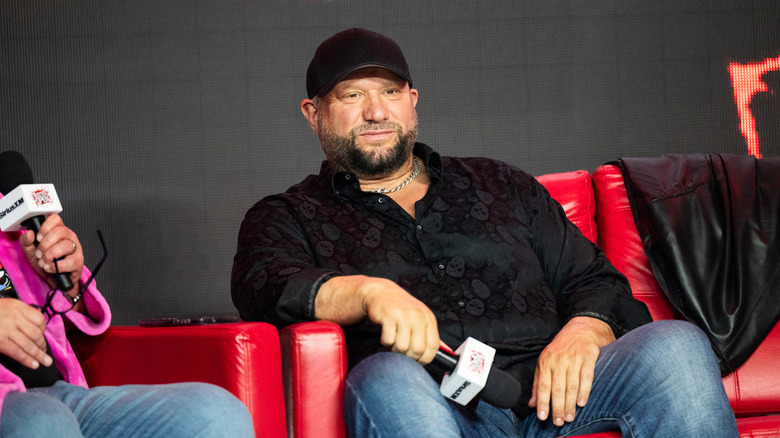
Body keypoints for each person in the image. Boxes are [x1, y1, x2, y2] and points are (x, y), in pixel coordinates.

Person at [232, 28, 738, 437]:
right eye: (352, 95)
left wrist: (586, 329)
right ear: (313, 112)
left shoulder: (500, 183)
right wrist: (367, 291)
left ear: (412, 101)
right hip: (435, 402)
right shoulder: (288, 214)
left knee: (676, 344)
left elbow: (597, 280)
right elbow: (263, 284)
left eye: (389, 92)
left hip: (558, 395)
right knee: (384, 377)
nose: (376, 111)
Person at [0, 213, 254, 437]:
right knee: (46, 422)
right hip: (18, 405)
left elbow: (52, 317)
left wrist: (62, 281)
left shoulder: (9, 207)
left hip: (54, 390)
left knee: (216, 412)